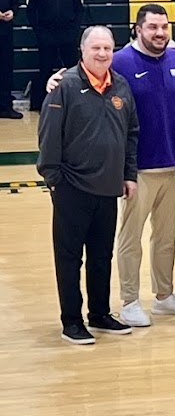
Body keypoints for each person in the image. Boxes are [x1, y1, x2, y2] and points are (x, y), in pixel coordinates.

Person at [39, 26, 139, 345]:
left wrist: (128, 174)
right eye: (96, 47)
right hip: (72, 187)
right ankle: (71, 321)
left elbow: (131, 133)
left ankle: (99, 314)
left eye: (107, 48)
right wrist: (53, 179)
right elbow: (48, 135)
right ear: (82, 50)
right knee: (69, 258)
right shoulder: (65, 85)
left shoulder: (120, 85)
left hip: (108, 188)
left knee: (101, 256)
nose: (102, 53)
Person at [111, 4, 175, 325]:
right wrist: (57, 78)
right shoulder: (120, 62)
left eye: (164, 27)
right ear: (138, 29)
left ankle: (164, 297)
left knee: (166, 237)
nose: (160, 33)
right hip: (138, 169)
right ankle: (129, 301)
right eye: (152, 27)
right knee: (130, 238)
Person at [26, 0, 84, 109]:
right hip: (46, 34)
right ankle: (41, 104)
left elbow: (79, 9)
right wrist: (39, 31)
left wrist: (74, 30)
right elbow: (30, 10)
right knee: (45, 68)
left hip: (68, 34)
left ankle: (76, 101)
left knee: (73, 68)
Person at [0, 0, 20, 117]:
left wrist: (12, 12)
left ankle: (5, 106)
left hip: (5, 33)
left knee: (6, 69)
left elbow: (15, 3)